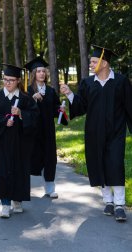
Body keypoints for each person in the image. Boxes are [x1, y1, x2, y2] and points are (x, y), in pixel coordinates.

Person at [60, 45, 132, 222]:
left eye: (94, 61)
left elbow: (130, 107)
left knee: (115, 164)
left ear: (104, 63)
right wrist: (70, 94)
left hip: (116, 132)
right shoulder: (87, 83)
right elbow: (81, 106)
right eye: (91, 61)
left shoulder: (121, 81)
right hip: (94, 132)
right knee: (99, 164)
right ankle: (108, 201)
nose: (91, 64)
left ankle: (120, 204)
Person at [0, 64, 39, 218]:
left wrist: (21, 113)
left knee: (20, 170)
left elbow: (35, 117)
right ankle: (5, 204)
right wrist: (4, 120)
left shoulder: (25, 98)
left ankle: (17, 200)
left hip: (21, 142)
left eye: (11, 80)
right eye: (5, 79)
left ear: (18, 81)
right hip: (2, 140)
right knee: (3, 170)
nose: (8, 83)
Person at [24, 56, 68, 198]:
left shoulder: (50, 91)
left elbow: (55, 108)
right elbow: (22, 108)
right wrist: (32, 99)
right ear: (33, 74)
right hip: (32, 131)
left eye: (44, 71)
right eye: (38, 71)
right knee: (30, 157)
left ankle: (50, 188)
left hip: (48, 130)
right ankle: (24, 188)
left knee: (49, 158)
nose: (42, 74)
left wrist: (60, 110)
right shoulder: (28, 91)